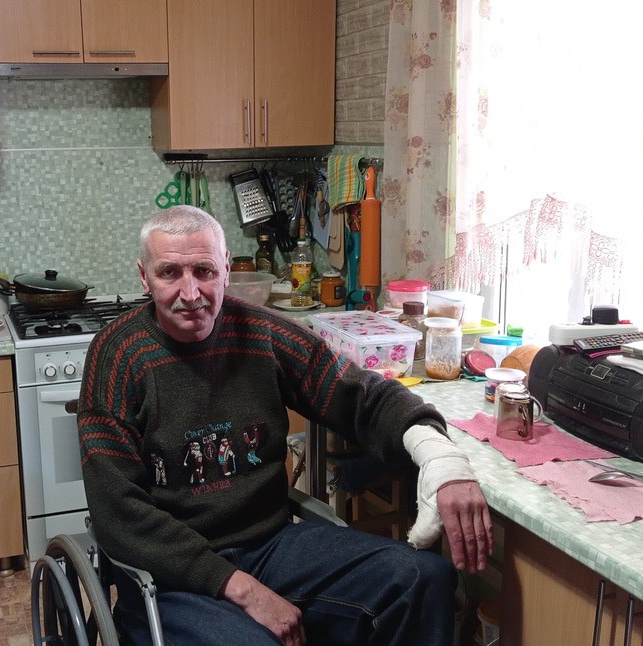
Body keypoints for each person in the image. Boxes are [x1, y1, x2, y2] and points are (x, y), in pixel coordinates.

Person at [77, 205, 493, 646]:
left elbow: (361, 395)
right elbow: (117, 510)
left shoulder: (262, 333)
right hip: (171, 574)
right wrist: (241, 588)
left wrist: (441, 458)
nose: (191, 292)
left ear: (225, 270)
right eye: (169, 273)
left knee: (421, 579)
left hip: (269, 547)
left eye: (204, 271)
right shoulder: (117, 356)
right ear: (144, 277)